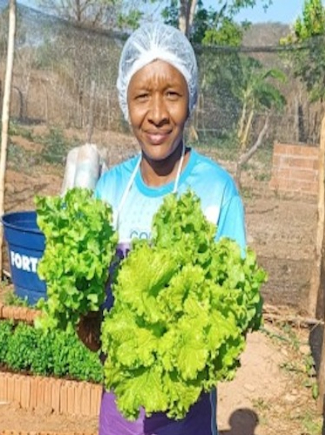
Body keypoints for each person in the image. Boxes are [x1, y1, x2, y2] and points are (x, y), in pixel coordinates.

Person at [79, 22, 249, 435]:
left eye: (172, 94)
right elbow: (89, 291)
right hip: (121, 405)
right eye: (142, 97)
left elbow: (235, 305)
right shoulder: (110, 189)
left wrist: (189, 344)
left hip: (187, 413)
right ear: (126, 103)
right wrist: (88, 316)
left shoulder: (216, 190)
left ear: (191, 100)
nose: (157, 114)